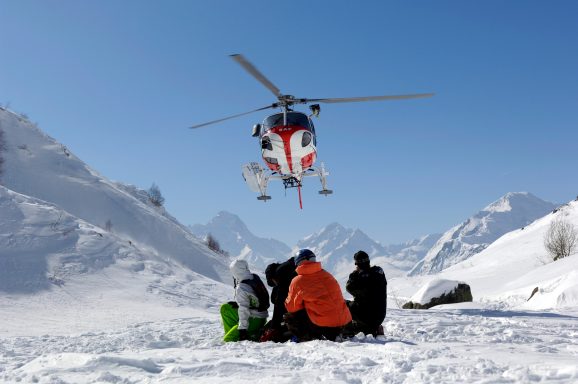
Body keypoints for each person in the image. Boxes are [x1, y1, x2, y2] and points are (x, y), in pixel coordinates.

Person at [284, 249, 352, 341]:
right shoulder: (327, 274)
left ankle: (306, 337)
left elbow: (292, 307)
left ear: (298, 263)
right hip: (344, 321)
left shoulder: (297, 281)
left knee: (290, 317)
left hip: (324, 324)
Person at [220, 259, 269, 342]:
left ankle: (241, 335)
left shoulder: (242, 287)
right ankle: (234, 332)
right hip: (262, 317)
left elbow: (243, 309)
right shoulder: (254, 278)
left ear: (235, 271)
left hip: (253, 319)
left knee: (228, 340)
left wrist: (243, 329)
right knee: (225, 308)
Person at [345, 250, 387, 336]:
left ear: (357, 264)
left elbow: (349, 288)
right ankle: (373, 328)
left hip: (365, 316)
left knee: (343, 304)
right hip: (379, 316)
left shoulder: (357, 276)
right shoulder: (378, 271)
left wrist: (354, 275)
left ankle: (347, 330)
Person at [260, 257, 297, 342]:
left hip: (297, 321)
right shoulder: (291, 271)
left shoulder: (283, 281)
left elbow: (278, 306)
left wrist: (273, 328)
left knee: (276, 334)